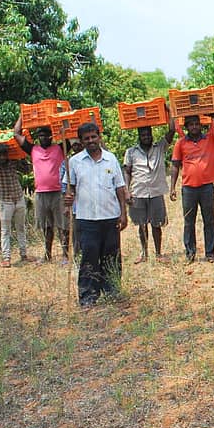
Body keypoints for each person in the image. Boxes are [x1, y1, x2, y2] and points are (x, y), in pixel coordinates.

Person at [63, 123, 128, 307]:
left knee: (111, 257)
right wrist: (68, 199)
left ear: (99, 137)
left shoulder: (111, 159)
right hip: (86, 219)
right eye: (86, 138)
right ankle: (88, 296)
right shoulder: (74, 162)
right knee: (89, 258)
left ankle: (112, 291)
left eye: (93, 137)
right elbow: (70, 188)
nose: (91, 141)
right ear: (81, 141)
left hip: (110, 217)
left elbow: (120, 188)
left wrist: (123, 214)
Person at [169, 113, 214, 263]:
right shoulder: (181, 143)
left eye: (196, 123)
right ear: (186, 127)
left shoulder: (210, 138)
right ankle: (190, 253)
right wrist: (172, 187)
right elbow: (175, 165)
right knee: (189, 221)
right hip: (188, 188)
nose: (194, 127)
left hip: (206, 187)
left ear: (200, 124)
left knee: (209, 220)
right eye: (191, 124)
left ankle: (210, 253)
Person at [14, 115, 70, 264]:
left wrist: (68, 115)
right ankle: (47, 254)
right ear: (37, 137)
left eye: (46, 135)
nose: (44, 138)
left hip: (58, 192)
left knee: (63, 226)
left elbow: (70, 133)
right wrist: (23, 114)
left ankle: (65, 255)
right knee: (47, 226)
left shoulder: (60, 148)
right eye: (41, 136)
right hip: (41, 193)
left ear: (51, 136)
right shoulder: (33, 149)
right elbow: (16, 134)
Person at [123, 116, 175, 264]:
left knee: (157, 224)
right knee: (141, 224)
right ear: (139, 136)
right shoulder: (131, 152)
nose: (146, 137)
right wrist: (127, 190)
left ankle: (158, 253)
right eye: (143, 135)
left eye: (148, 134)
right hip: (138, 192)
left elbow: (172, 130)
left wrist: (168, 111)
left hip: (156, 192)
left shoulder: (160, 148)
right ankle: (144, 253)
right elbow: (127, 171)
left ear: (152, 135)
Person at [0, 142, 33, 267]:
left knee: (21, 228)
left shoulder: (13, 163)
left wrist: (21, 156)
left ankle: (23, 254)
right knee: (5, 230)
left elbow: (27, 169)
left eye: (4, 155)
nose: (2, 158)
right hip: (5, 201)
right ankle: (6, 257)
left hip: (19, 198)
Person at [60, 138, 84, 257]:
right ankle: (77, 257)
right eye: (74, 145)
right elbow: (64, 185)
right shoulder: (67, 162)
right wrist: (67, 205)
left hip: (91, 203)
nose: (77, 147)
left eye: (79, 145)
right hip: (76, 205)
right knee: (76, 233)